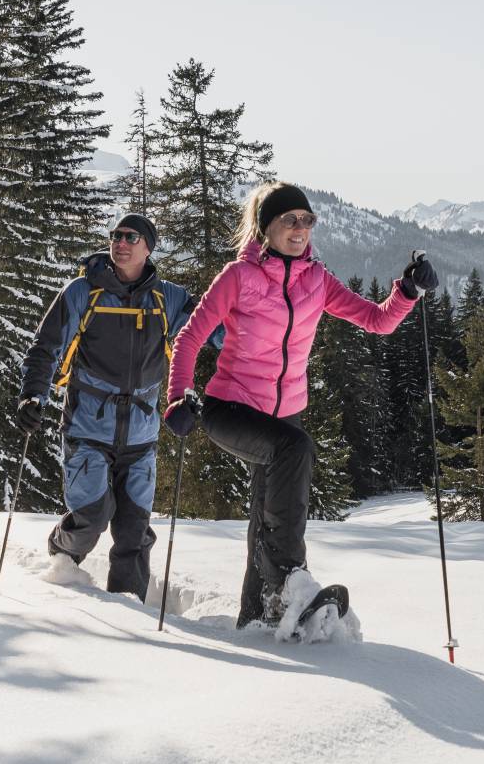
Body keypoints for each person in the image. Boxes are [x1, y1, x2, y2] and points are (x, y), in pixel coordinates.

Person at [163, 181, 436, 627]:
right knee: (295, 449)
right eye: (289, 220)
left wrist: (407, 292)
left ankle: (256, 618)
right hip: (229, 408)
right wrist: (179, 395)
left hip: (283, 413)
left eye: (307, 220)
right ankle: (291, 579)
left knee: (265, 515)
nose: (299, 228)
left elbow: (375, 320)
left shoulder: (316, 280)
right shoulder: (239, 277)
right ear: (265, 227)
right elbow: (190, 337)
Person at [16, 213, 197, 599]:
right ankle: (62, 554)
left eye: (132, 237)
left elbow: (209, 333)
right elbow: (45, 349)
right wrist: (34, 393)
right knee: (93, 514)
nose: (121, 242)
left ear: (148, 247)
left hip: (142, 433)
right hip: (87, 429)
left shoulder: (170, 299)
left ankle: (129, 607)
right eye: (116, 235)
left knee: (135, 528)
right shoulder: (83, 291)